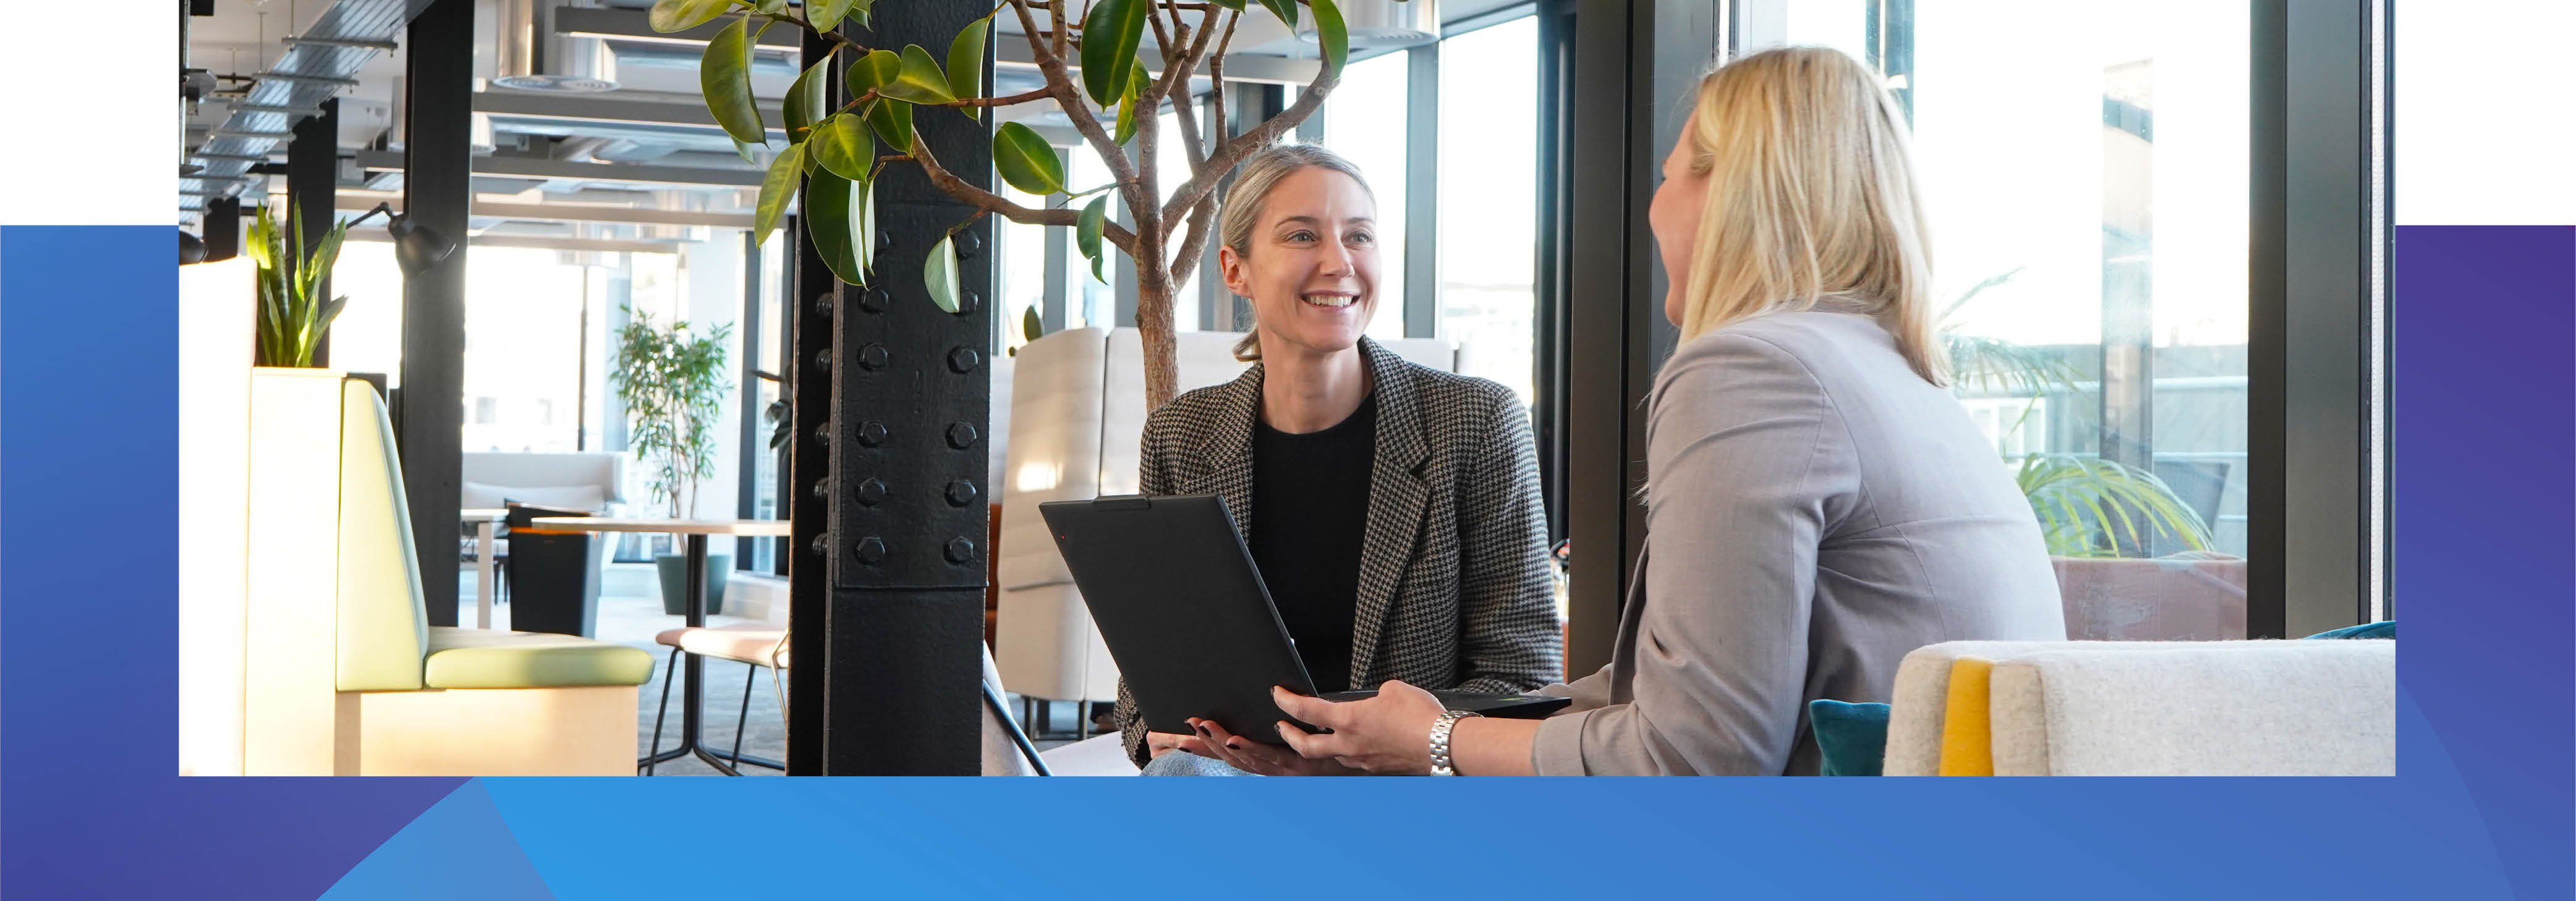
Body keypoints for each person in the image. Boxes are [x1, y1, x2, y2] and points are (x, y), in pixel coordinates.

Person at [1254, 46, 2068, 776]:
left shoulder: (1751, 370)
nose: (1651, 208)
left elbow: (1694, 754)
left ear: (1730, 189)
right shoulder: (1894, 375)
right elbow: (1678, 701)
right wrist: (1427, 724)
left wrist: (1433, 744)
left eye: (1668, 174)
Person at [1115, 143, 1563, 775]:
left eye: (1359, 236)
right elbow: (1149, 659)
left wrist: (1348, 765)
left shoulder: (1478, 422)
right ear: (1234, 269)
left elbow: (1521, 678)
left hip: (1408, 791)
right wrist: (1160, 734)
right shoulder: (1179, 435)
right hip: (1230, 774)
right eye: (1302, 236)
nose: (1339, 262)